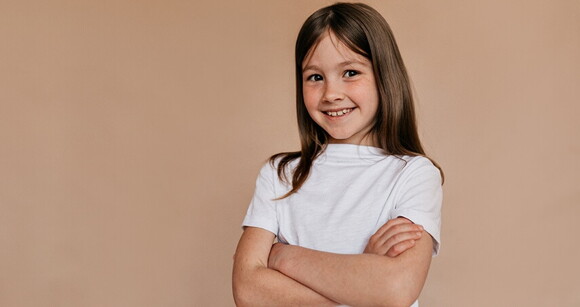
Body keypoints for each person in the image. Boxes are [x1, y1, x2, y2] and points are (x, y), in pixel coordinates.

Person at [232, 2, 443, 306]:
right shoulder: (279, 173)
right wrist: (361, 280)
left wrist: (282, 256)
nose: (331, 93)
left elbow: (396, 288)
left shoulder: (415, 174)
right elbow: (248, 291)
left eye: (350, 72)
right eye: (315, 77)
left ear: (385, 76)